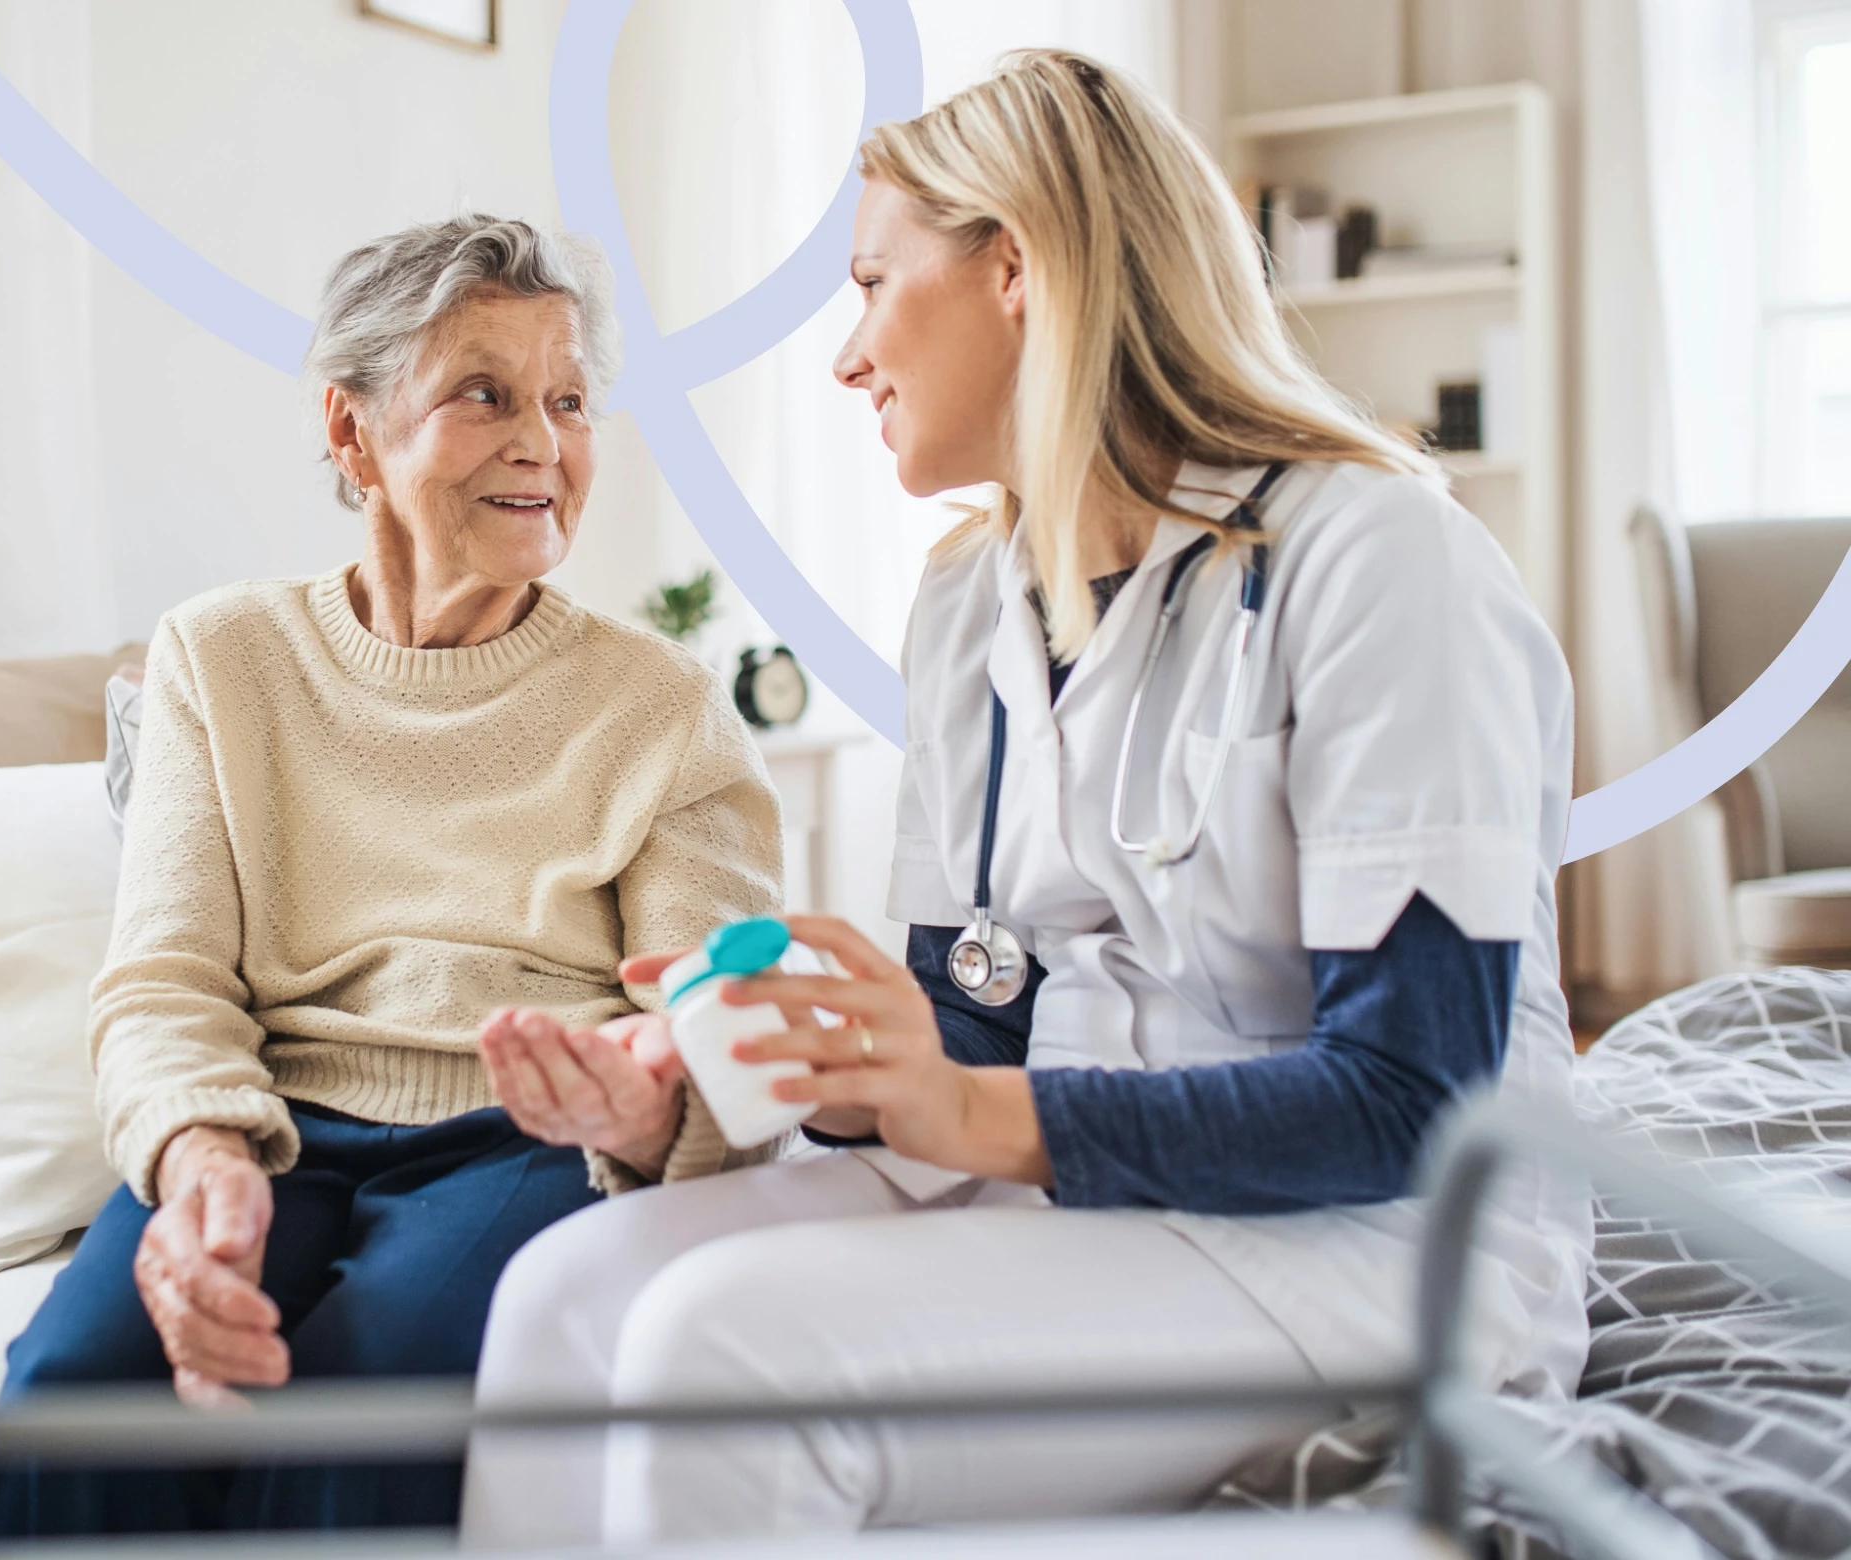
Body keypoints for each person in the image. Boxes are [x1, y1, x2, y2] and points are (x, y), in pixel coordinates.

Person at [462, 51, 1590, 1545]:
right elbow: (976, 1021)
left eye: (872, 283)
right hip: (1076, 1173)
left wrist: (966, 1105)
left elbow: (1414, 1104)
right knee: (564, 1292)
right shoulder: (965, 607)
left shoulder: (1380, 560)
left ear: (1016, 265)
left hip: (1365, 1236)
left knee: (725, 1354)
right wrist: (739, 1063)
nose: (848, 355)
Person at [0, 214, 784, 1537]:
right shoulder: (221, 657)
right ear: (351, 433)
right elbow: (163, 980)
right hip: (273, 1122)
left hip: (526, 1143)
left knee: (372, 1387)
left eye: (568, 401)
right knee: (74, 1392)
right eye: (484, 393)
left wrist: (646, 1108)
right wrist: (197, 1162)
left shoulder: (665, 706)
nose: (543, 441)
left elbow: (727, 1043)